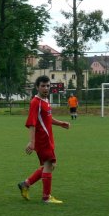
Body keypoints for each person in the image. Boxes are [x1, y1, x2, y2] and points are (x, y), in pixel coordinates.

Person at [17, 75, 70, 204]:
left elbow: (48, 119)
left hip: (48, 138)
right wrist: (32, 142)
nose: (46, 88)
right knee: (49, 165)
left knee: (50, 166)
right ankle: (46, 197)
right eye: (43, 86)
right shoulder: (35, 102)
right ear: (37, 87)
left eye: (47, 86)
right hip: (42, 139)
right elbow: (31, 123)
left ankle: (25, 184)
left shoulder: (45, 101)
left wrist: (60, 123)